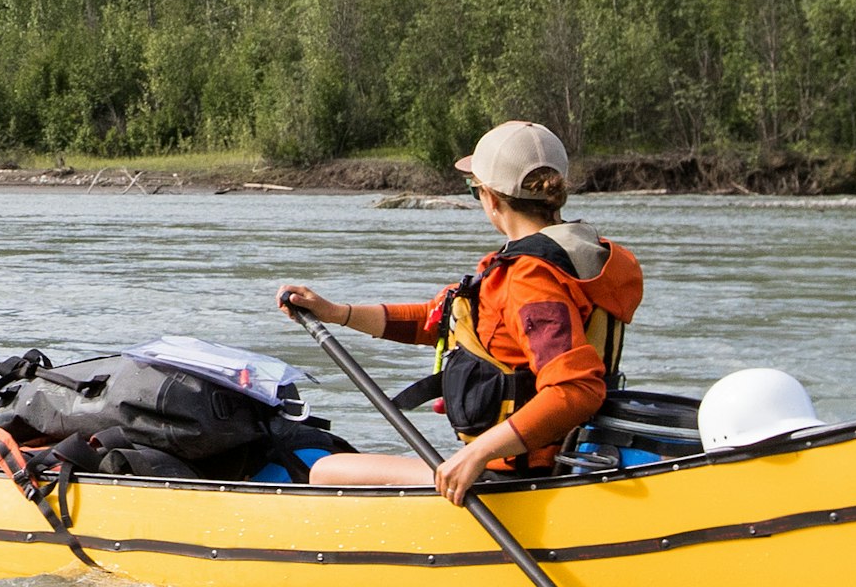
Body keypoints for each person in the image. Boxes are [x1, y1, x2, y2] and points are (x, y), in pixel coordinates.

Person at [274, 119, 643, 503]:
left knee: (322, 469)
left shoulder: (530, 278)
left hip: (514, 476)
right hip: (558, 460)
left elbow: (576, 389)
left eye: (474, 189)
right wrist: (336, 312)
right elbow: (436, 319)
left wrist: (477, 452)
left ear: (492, 199)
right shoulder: (579, 258)